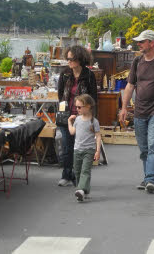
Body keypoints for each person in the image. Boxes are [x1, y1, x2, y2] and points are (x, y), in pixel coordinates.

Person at [119, 30, 154, 194]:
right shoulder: (137, 61)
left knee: (153, 146)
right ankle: (148, 177)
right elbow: (130, 86)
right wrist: (123, 108)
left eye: (142, 41)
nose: (139, 44)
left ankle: (150, 179)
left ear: (151, 43)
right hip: (139, 111)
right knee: (143, 148)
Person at [57, 46, 98, 187]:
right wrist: (64, 111)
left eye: (71, 59)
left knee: (79, 147)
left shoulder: (88, 75)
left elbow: (93, 98)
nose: (69, 61)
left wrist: (92, 119)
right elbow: (60, 95)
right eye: (67, 58)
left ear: (80, 59)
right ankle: (66, 175)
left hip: (83, 117)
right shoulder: (64, 74)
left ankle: (78, 175)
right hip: (66, 117)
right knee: (67, 146)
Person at [68, 94, 101, 202]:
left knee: (85, 171)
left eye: (79, 107)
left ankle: (80, 189)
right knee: (77, 171)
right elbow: (72, 132)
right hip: (77, 149)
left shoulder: (94, 121)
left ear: (88, 106)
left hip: (89, 150)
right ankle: (84, 190)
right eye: (76, 107)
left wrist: (97, 151)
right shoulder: (77, 119)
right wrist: (69, 122)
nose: (77, 109)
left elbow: (98, 136)